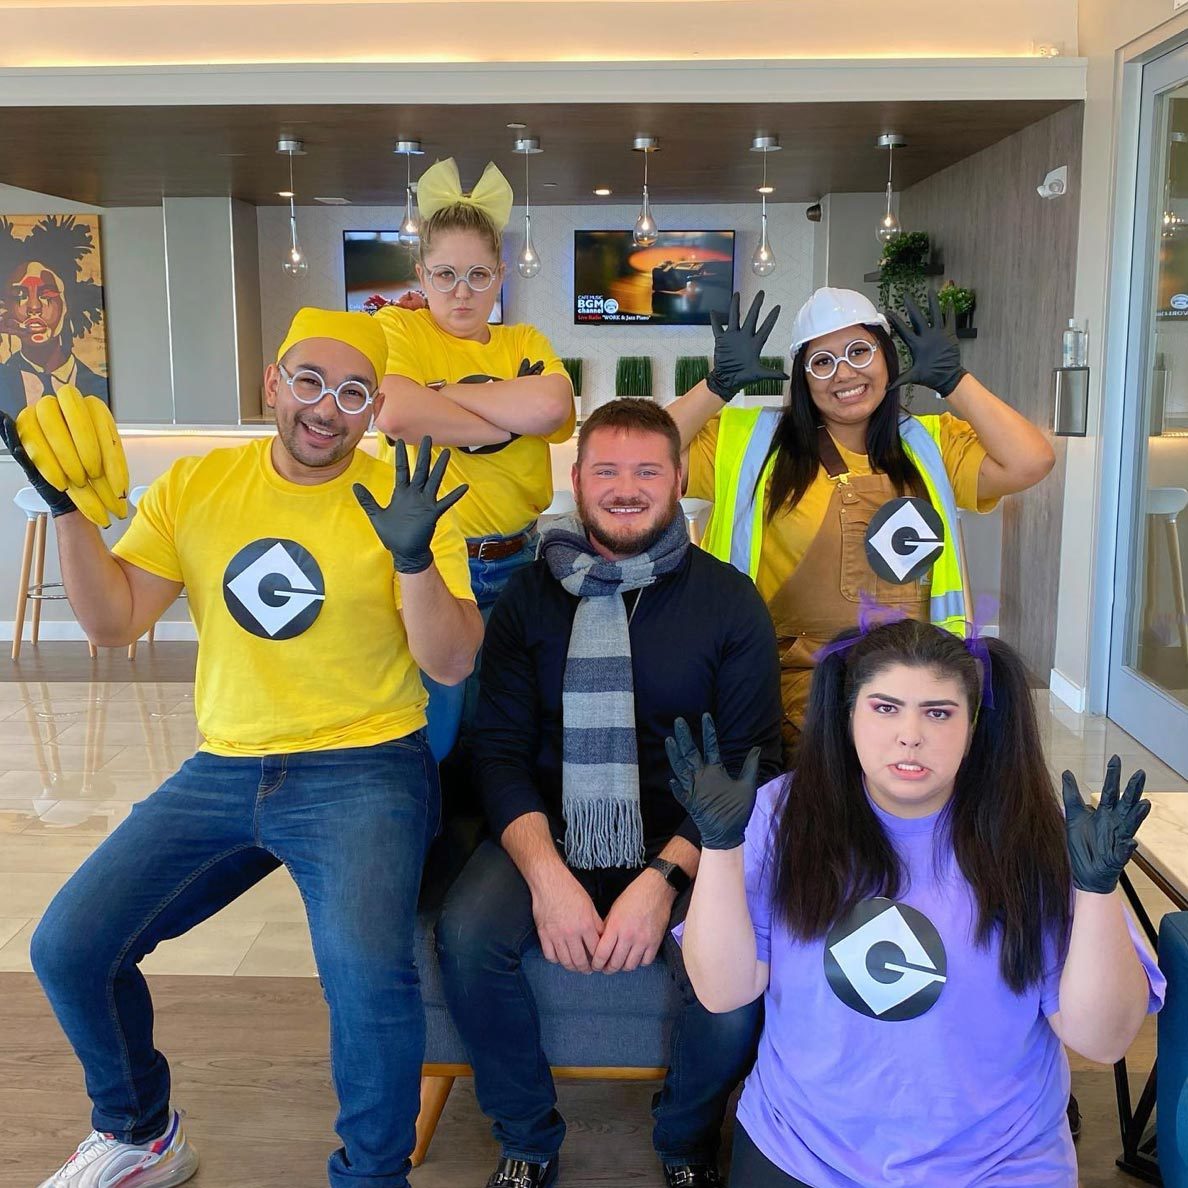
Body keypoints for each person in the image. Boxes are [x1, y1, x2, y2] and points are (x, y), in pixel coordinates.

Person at [2, 307, 483, 1188]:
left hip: (366, 766)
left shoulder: (408, 496)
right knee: (69, 947)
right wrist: (69, 511)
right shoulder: (197, 486)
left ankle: (374, 1177)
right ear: (273, 383)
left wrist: (412, 558)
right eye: (308, 382)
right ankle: (139, 1132)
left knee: (367, 977)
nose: (325, 409)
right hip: (224, 766)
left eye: (350, 393)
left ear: (374, 407)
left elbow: (450, 659)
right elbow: (113, 624)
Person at [671, 616, 1164, 1188]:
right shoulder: (781, 815)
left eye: (938, 712)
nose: (910, 735)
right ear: (847, 715)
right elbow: (723, 989)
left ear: (974, 725)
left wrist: (1096, 891)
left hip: (996, 1164)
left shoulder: (1036, 836)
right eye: (884, 708)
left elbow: (1101, 1040)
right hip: (802, 1152)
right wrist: (720, 846)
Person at [435, 399, 783, 1188]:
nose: (626, 488)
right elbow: (499, 752)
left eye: (646, 470)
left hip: (692, 833)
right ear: (578, 479)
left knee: (733, 987)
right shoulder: (529, 596)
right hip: (546, 826)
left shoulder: (730, 601)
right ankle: (526, 1136)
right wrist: (548, 877)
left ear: (680, 478)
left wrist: (664, 882)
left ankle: (686, 1140)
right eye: (608, 470)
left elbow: (753, 759)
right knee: (467, 937)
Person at [666, 287, 1056, 754]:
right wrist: (717, 386)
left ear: (887, 356)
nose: (844, 373)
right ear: (803, 377)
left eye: (859, 351)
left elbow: (1031, 461)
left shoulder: (931, 444)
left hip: (910, 681)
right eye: (822, 362)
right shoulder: (747, 441)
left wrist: (955, 381)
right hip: (780, 683)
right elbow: (643, 451)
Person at [373, 157, 575, 613]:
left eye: (477, 275)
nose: (461, 292)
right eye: (445, 275)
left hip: (522, 559)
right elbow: (397, 414)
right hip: (431, 561)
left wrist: (438, 393)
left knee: (512, 687)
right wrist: (505, 423)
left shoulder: (523, 339)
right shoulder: (399, 328)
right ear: (423, 275)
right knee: (437, 685)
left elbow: (550, 409)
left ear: (499, 277)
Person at [0, 214, 108, 417]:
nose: (34, 307)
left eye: (46, 295)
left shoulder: (99, 388)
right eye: (19, 296)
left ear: (68, 304)